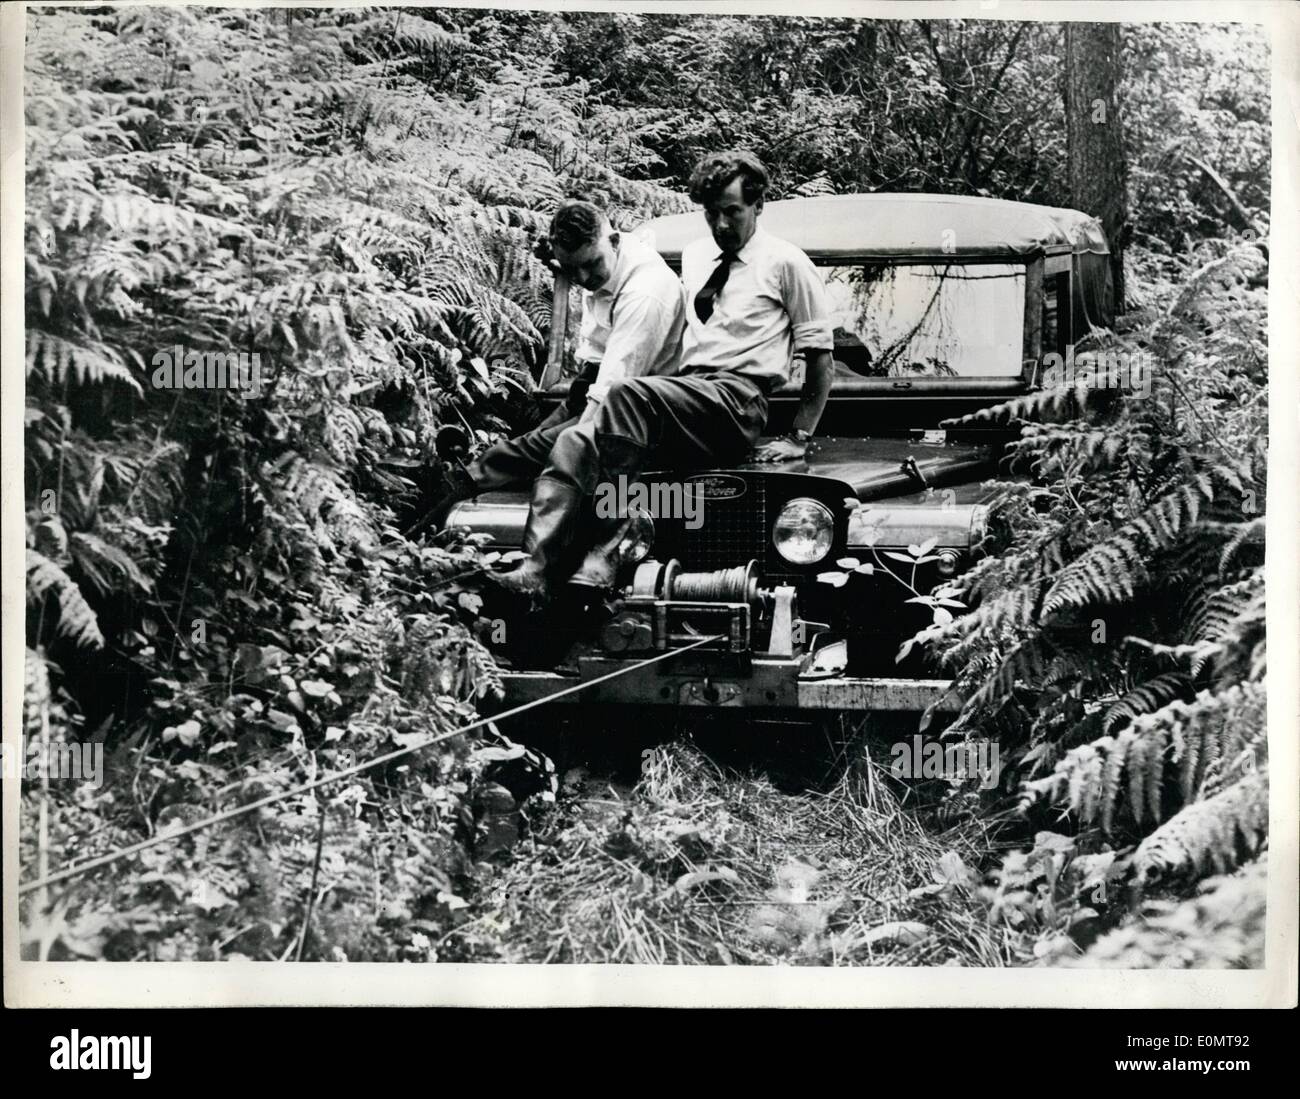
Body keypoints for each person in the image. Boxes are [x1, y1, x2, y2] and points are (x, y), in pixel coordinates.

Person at [495, 150, 835, 597]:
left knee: (625, 395)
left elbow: (821, 359)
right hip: (689, 397)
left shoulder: (786, 263)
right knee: (573, 440)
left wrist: (798, 436)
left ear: (757, 205)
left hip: (738, 402)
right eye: (711, 214)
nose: (721, 226)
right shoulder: (695, 256)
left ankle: (611, 548)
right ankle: (536, 571)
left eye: (732, 212)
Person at [420, 200, 685, 530]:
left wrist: (572, 442)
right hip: (592, 382)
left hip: (632, 409)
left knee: (533, 450)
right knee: (530, 443)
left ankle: (462, 492)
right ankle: (434, 510)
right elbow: (572, 262)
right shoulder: (609, 256)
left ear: (614, 242)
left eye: (590, 265)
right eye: (572, 269)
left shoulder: (646, 293)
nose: (583, 277)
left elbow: (612, 391)